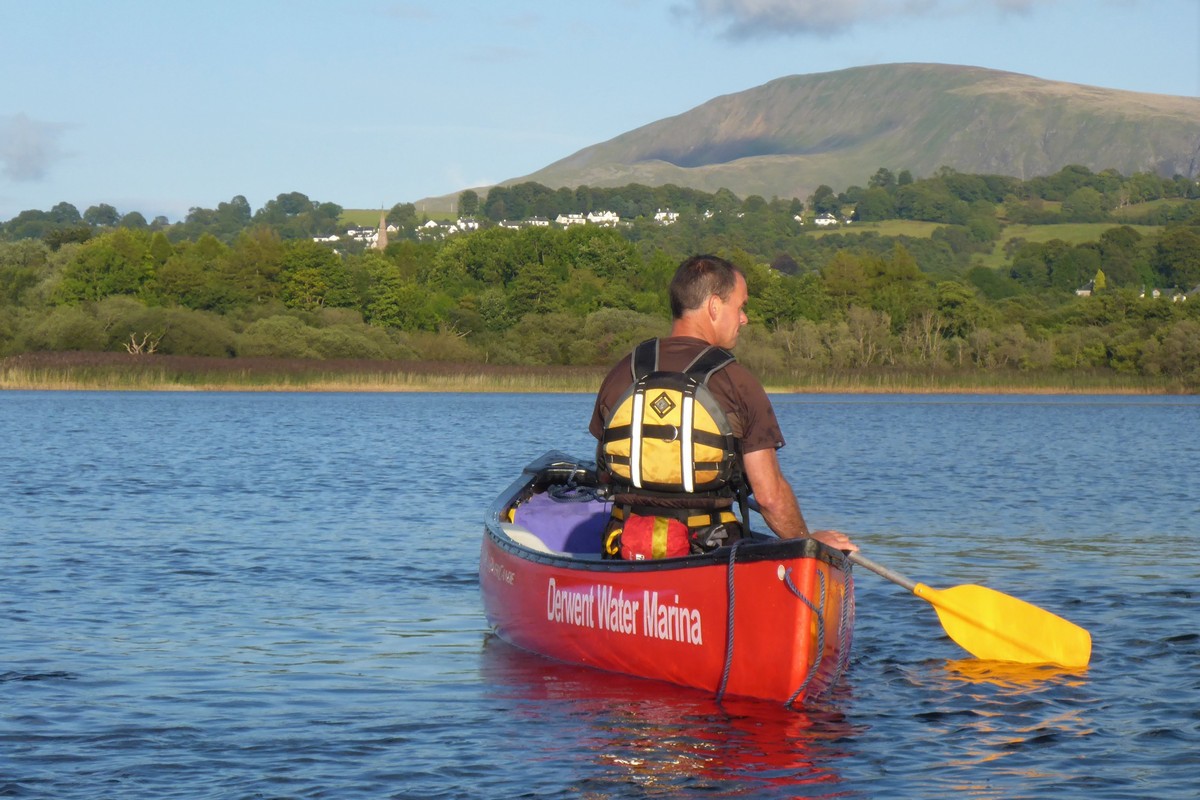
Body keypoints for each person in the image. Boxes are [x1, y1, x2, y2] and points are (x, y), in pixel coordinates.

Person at [589, 254, 857, 554]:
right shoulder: (736, 381)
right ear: (715, 306)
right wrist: (806, 542)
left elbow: (604, 472)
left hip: (625, 549)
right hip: (710, 553)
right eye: (740, 306)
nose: (745, 318)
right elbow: (769, 497)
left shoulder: (622, 372)